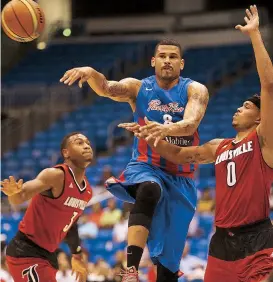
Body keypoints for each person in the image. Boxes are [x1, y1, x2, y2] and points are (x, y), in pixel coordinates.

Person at [120, 6, 273, 282]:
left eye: (247, 106)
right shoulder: (219, 146)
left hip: (256, 236)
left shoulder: (264, 139)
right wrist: (148, 133)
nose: (239, 108)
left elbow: (269, 84)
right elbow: (178, 154)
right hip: (221, 241)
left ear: (261, 116)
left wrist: (254, 36)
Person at [60, 38, 209, 281]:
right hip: (145, 166)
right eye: (162, 56)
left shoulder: (195, 90)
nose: (167, 61)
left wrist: (162, 130)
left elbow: (191, 124)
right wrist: (91, 73)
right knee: (149, 188)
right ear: (153, 61)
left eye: (173, 57)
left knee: (168, 267)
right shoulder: (138, 88)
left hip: (181, 177)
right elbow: (107, 87)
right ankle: (131, 269)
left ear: (181, 64)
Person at [1, 132, 93, 282]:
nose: (86, 146)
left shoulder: (87, 191)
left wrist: (76, 254)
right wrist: (13, 193)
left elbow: (70, 224)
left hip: (48, 255)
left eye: (88, 142)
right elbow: (21, 196)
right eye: (79, 142)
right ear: (66, 152)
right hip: (25, 251)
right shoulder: (55, 175)